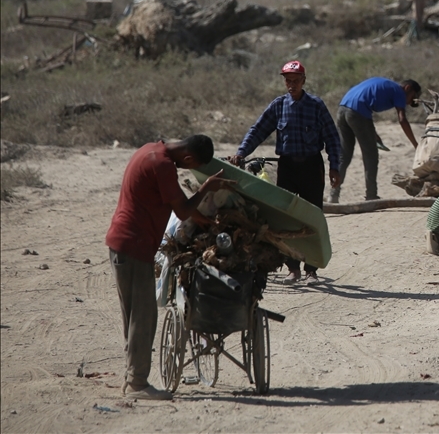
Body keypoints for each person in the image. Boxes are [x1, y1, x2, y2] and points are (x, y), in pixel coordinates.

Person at [106, 135, 235, 400]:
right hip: (134, 245)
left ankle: (131, 378)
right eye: (191, 166)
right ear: (188, 158)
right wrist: (208, 186)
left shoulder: (150, 149)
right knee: (143, 317)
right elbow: (184, 210)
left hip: (123, 243)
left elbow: (178, 207)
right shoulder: (162, 165)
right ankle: (137, 385)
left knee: (133, 316)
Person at [231, 60, 342, 284]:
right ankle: (293, 269)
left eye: (295, 81)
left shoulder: (316, 105)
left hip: (312, 166)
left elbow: (332, 137)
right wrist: (241, 153)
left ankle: (311, 270)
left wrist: (335, 166)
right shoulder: (278, 105)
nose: (291, 85)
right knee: (286, 217)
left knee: (313, 216)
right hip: (288, 167)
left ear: (304, 81)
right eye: (287, 81)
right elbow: (258, 130)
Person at [332, 77, 421, 203]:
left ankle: (333, 195)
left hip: (342, 109)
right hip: (357, 112)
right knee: (371, 155)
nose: (409, 103)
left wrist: (373, 133)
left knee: (344, 156)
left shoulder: (386, 84)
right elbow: (402, 119)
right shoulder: (400, 91)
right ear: (408, 88)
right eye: (412, 98)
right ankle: (371, 195)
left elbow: (362, 101)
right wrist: (416, 144)